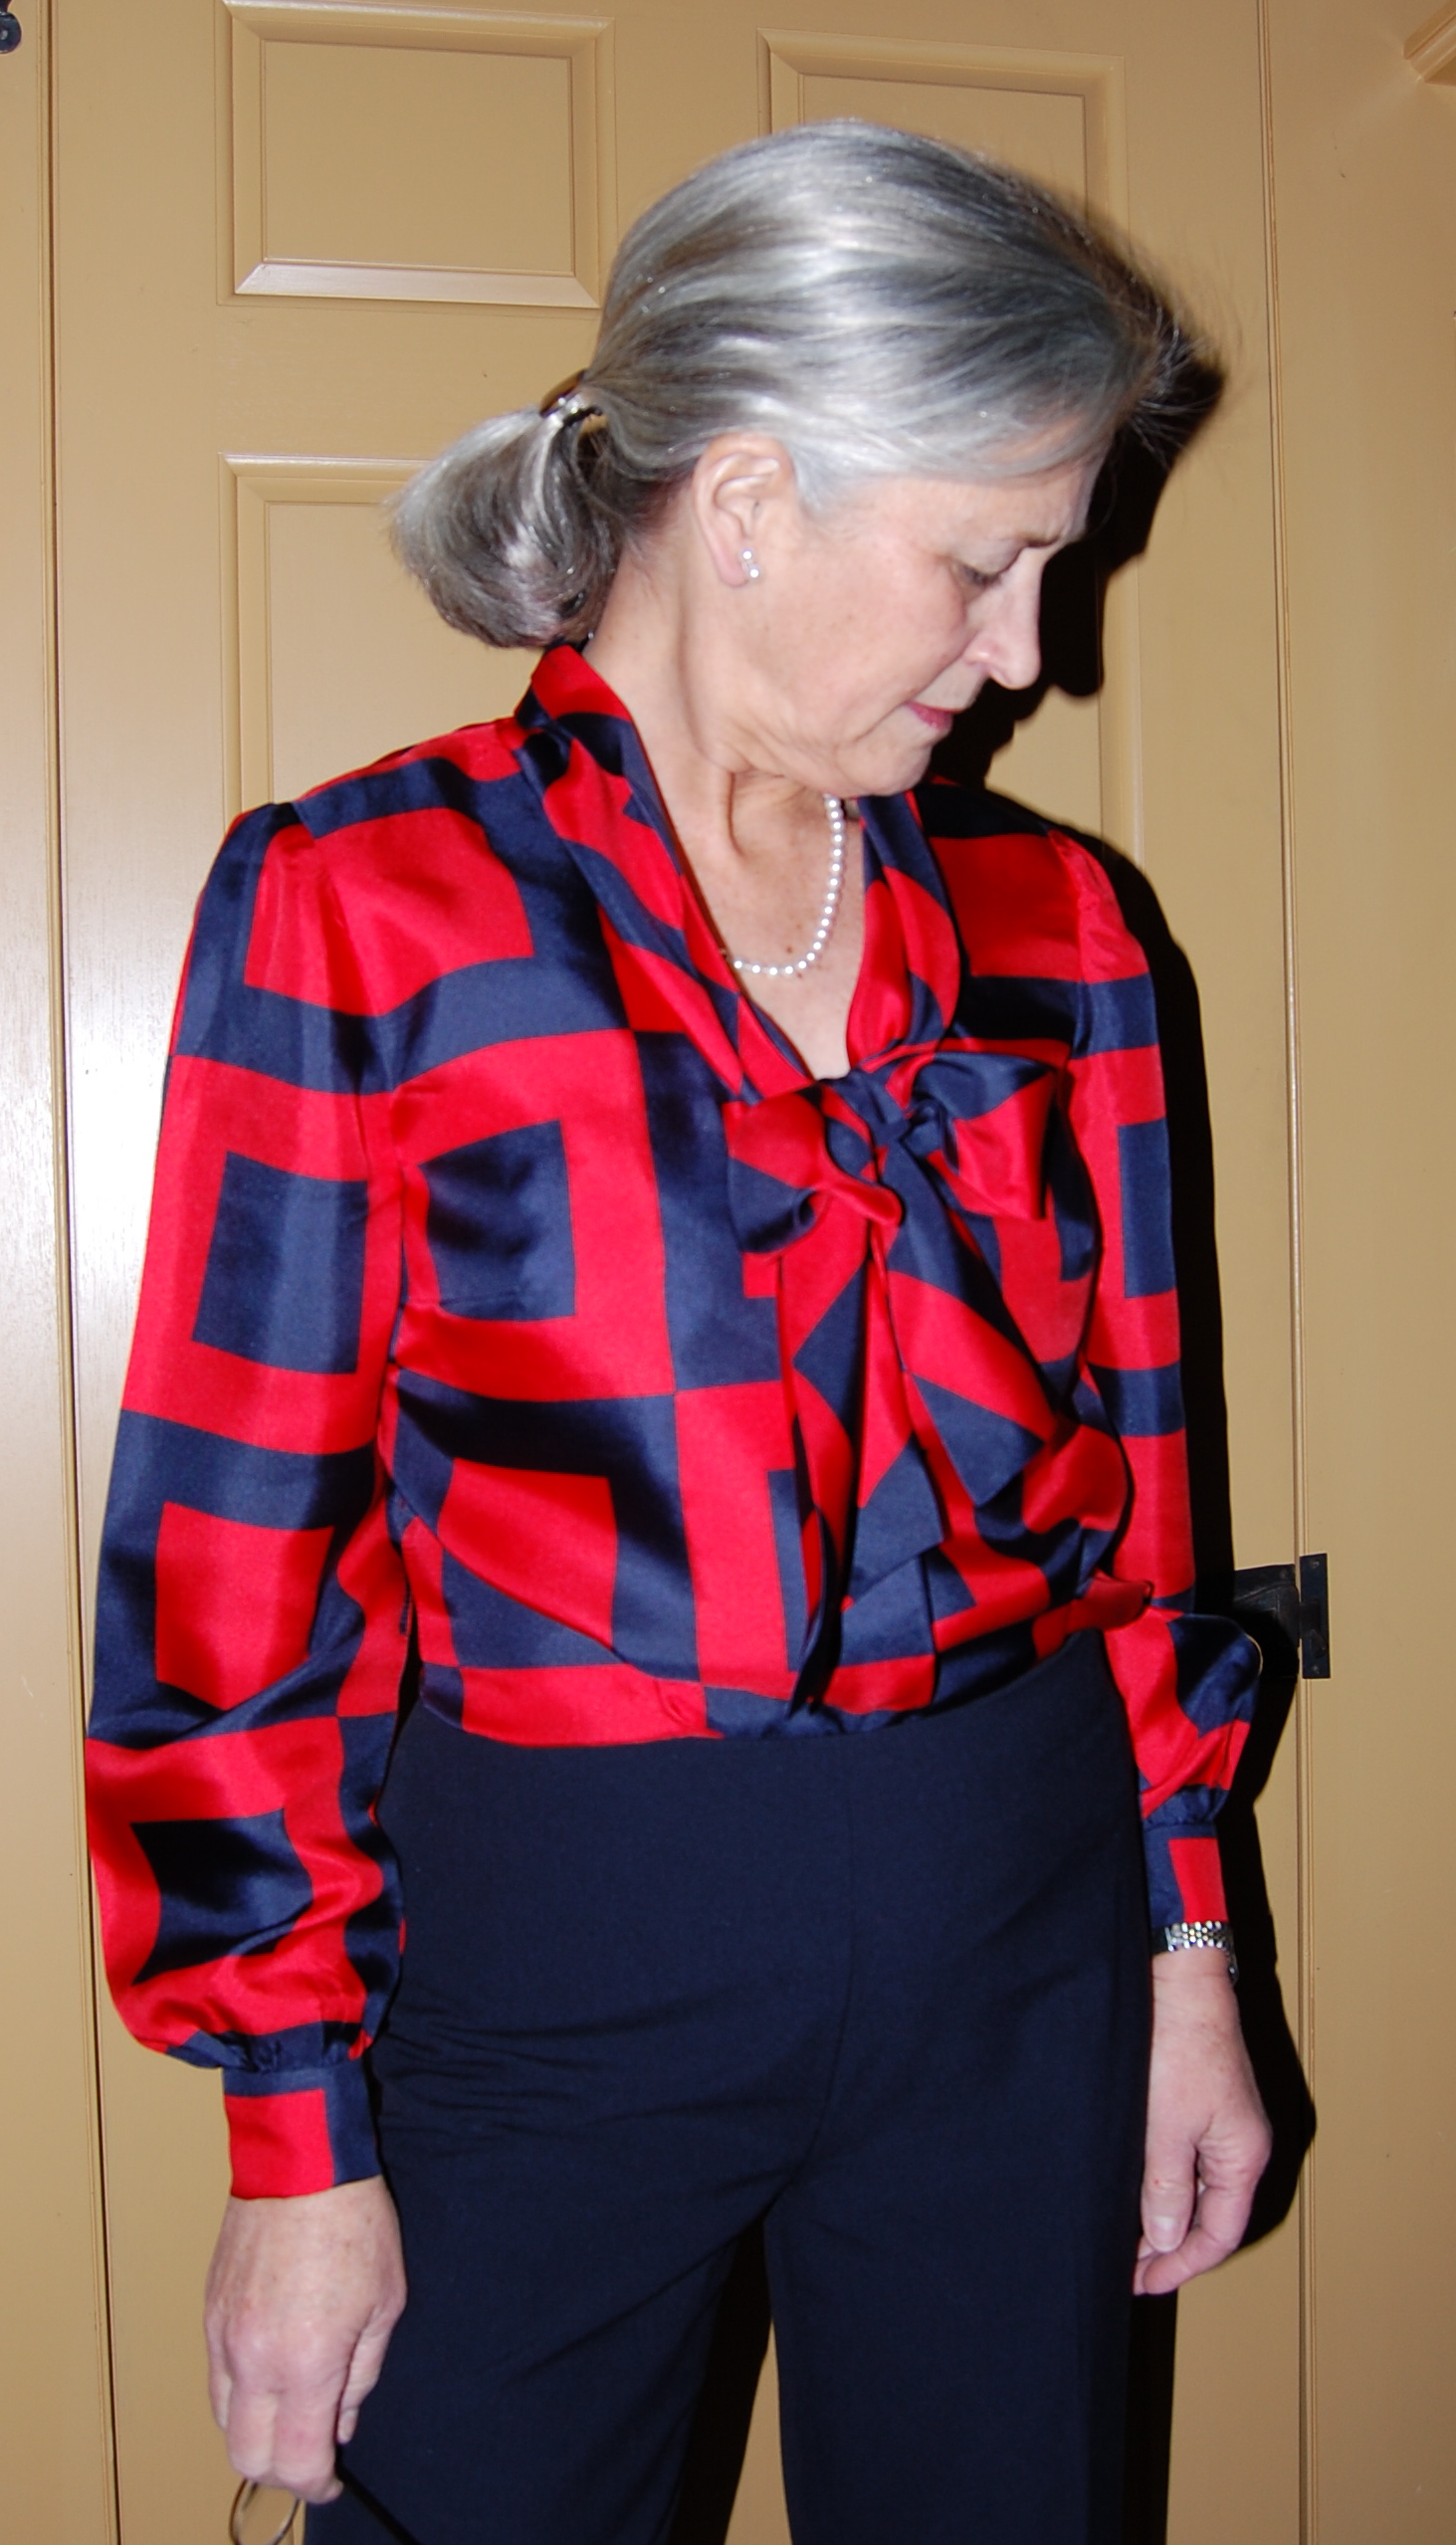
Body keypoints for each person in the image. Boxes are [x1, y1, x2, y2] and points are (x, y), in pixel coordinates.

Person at [87, 121, 1271, 2545]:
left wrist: (1184, 1952)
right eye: (985, 559)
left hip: (1020, 1907)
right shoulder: (368, 905)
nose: (1030, 651)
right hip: (550, 1947)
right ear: (744, 501)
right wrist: (298, 2140)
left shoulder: (1061, 932)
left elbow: (1141, 1497)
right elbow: (233, 1571)